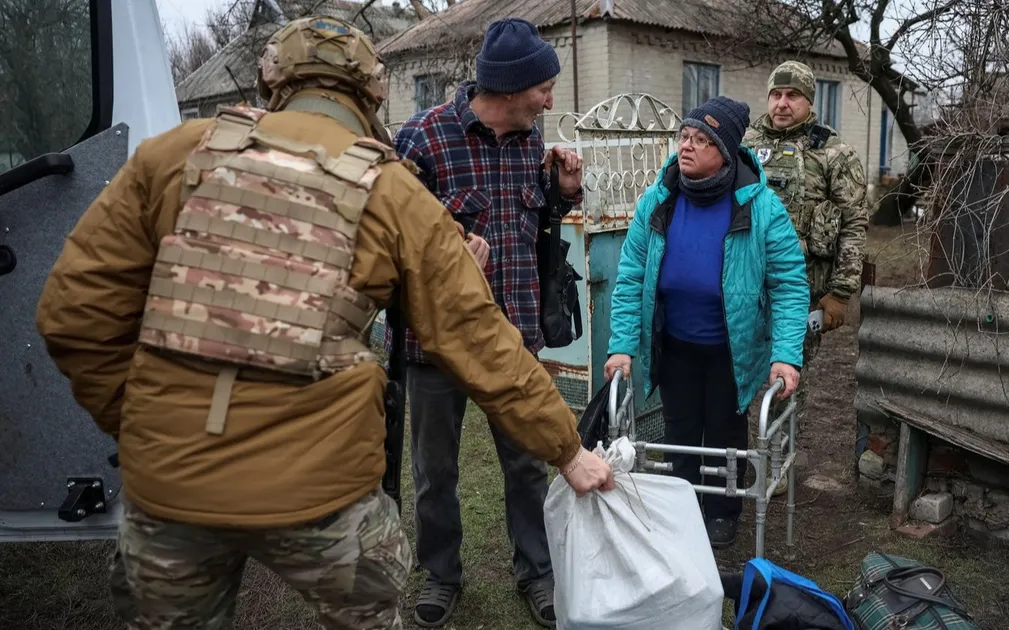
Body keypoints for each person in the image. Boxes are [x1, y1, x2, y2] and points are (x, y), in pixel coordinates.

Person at [34, 16, 613, 630]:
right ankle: (440, 574)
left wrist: (147, 417)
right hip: (322, 487)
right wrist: (568, 448)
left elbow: (74, 314)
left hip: (169, 480)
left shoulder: (172, 156)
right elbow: (474, 332)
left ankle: (529, 570)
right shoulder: (390, 185)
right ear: (369, 94)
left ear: (273, 83)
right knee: (421, 499)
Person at [388, 17, 583, 629]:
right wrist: (447, 254)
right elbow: (390, 240)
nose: (549, 101)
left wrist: (563, 193)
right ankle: (441, 575)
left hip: (514, 335)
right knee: (435, 471)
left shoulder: (530, 142)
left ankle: (538, 572)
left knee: (527, 462)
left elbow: (536, 223)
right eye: (544, 89)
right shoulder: (421, 140)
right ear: (511, 88)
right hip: (434, 345)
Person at [603, 96, 809, 548]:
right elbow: (631, 276)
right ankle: (682, 509)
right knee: (679, 431)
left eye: (701, 140)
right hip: (674, 343)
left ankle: (722, 512)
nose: (687, 146)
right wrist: (622, 345)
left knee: (724, 434)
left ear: (727, 151)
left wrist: (785, 355)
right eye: (684, 136)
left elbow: (789, 286)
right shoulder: (658, 201)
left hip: (730, 349)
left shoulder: (761, 207)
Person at [743, 61, 868, 494]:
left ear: (808, 101)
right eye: (776, 94)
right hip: (745, 284)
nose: (782, 103)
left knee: (787, 376)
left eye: (792, 95)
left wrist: (841, 291)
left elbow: (854, 224)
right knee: (741, 371)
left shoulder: (833, 152)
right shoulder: (745, 144)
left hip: (804, 290)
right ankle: (742, 456)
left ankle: (779, 463)